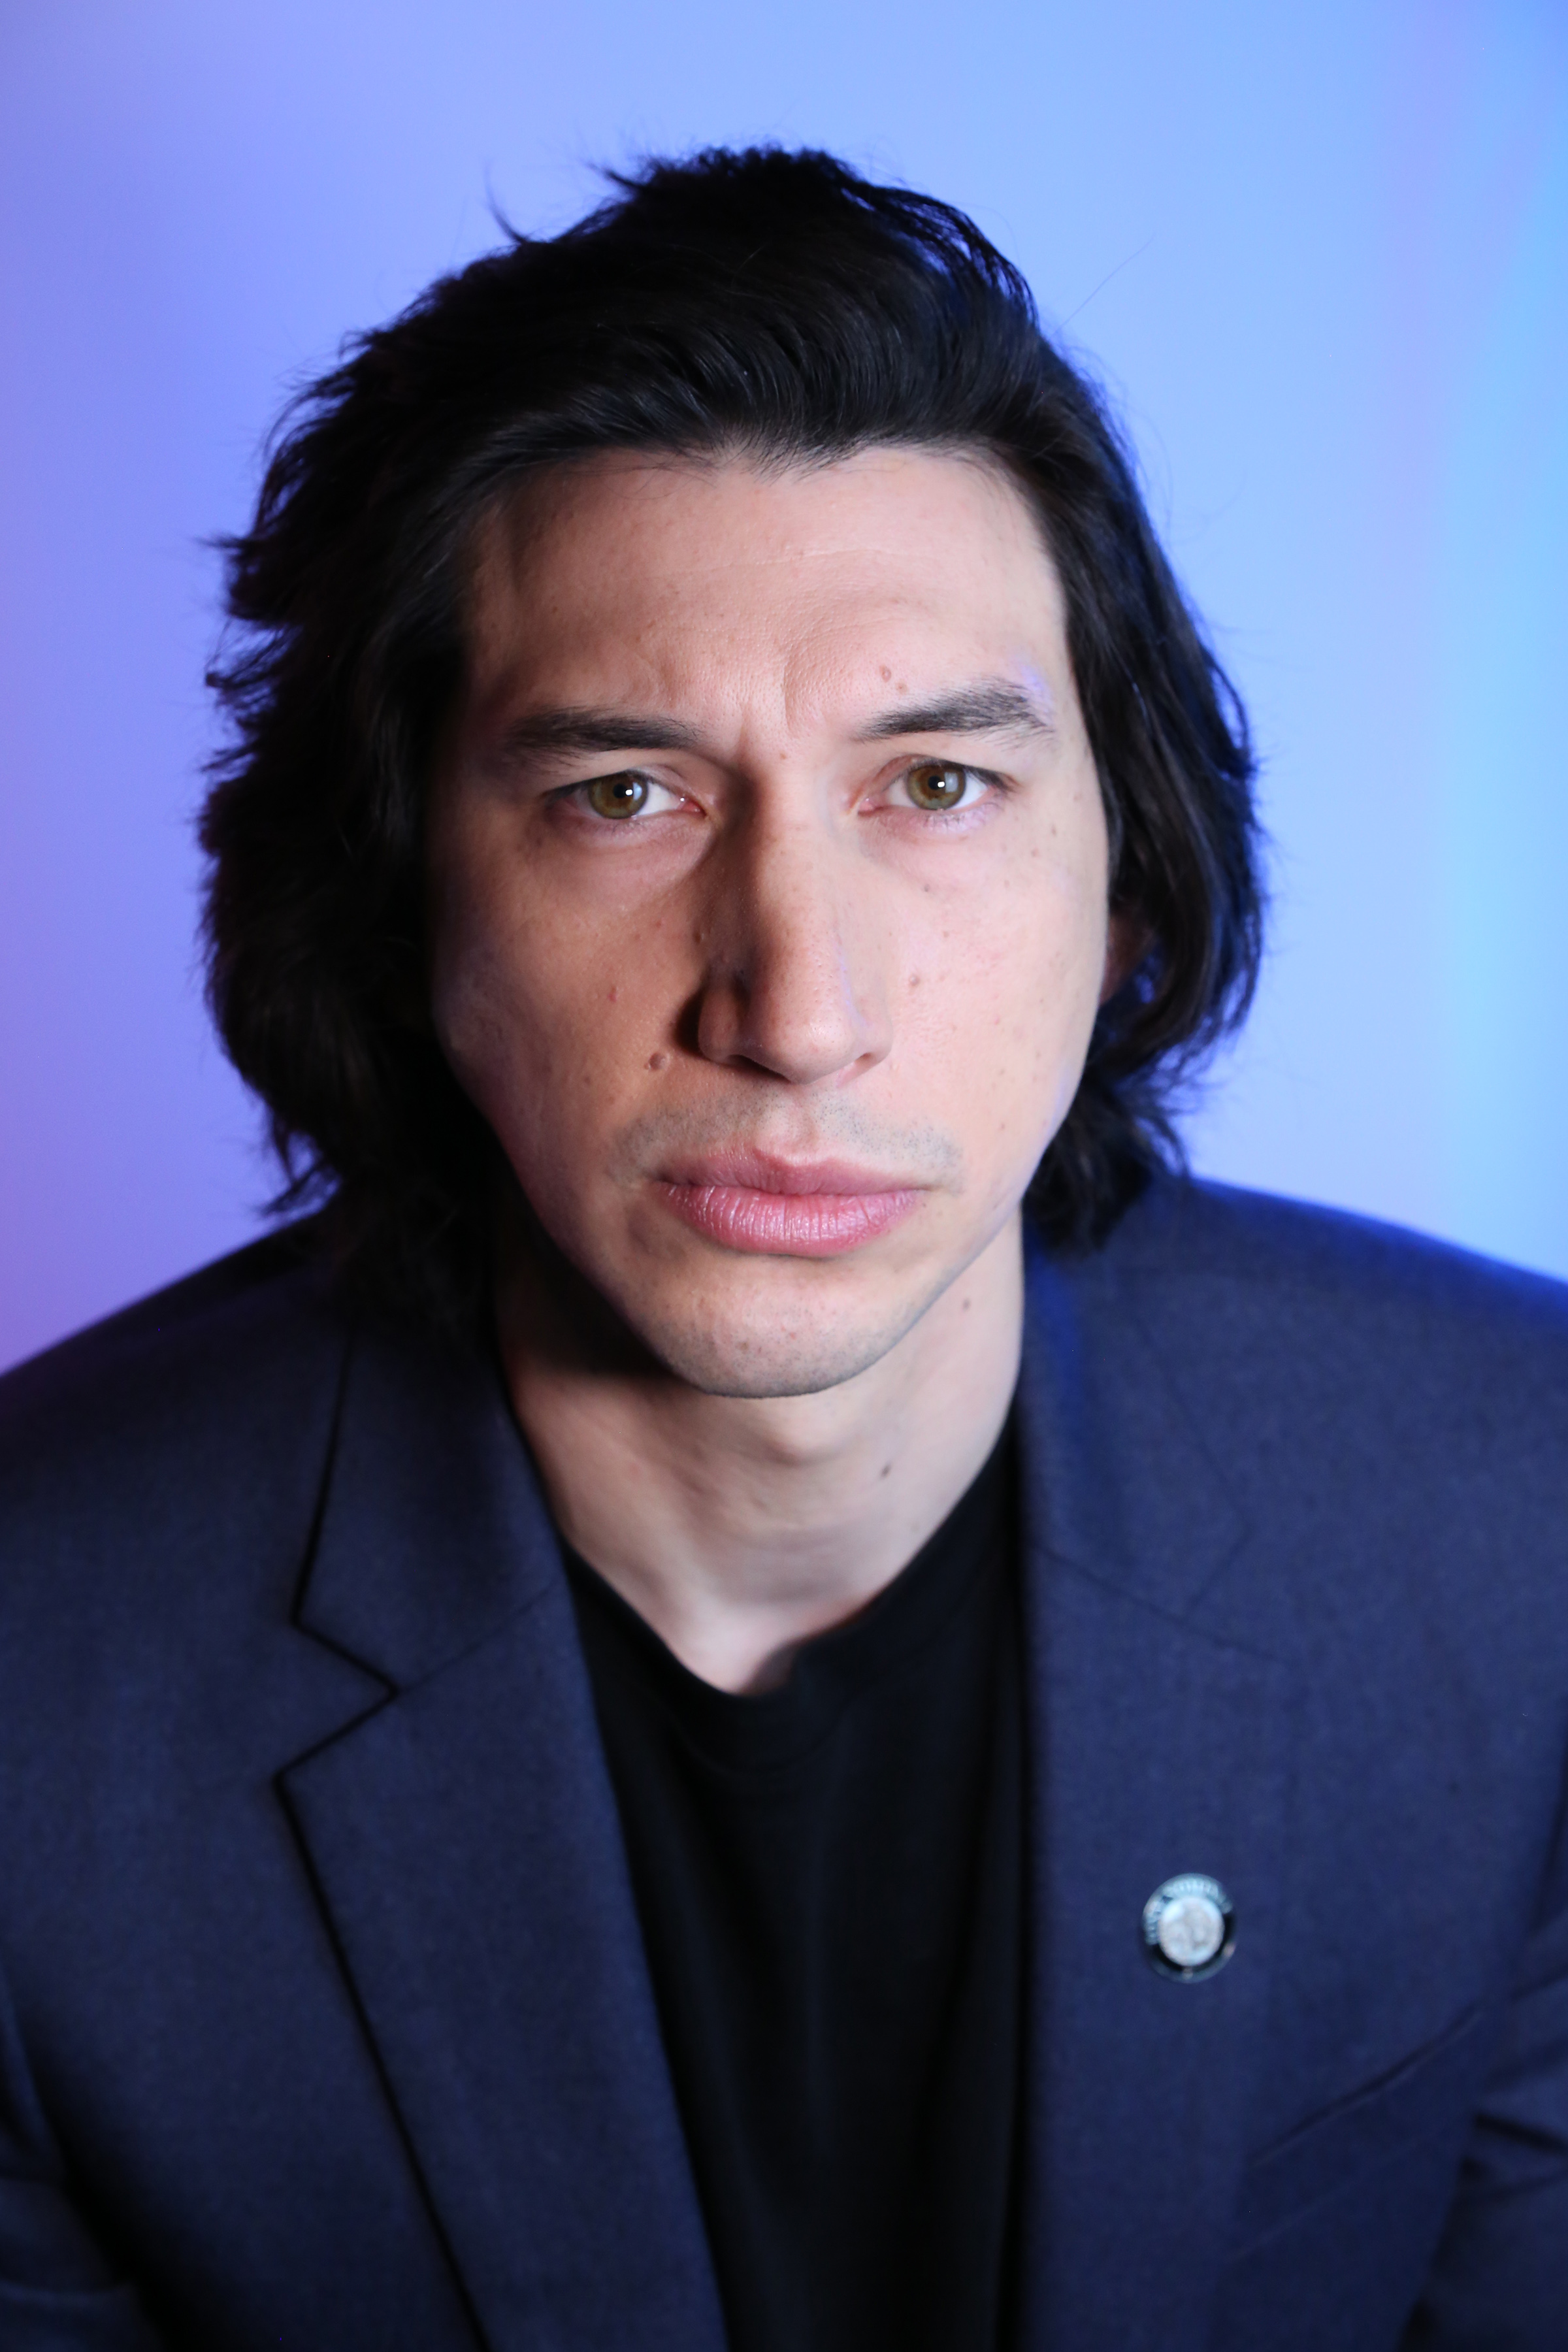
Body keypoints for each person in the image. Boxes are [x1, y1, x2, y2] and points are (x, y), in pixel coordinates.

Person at [0, 146, 1563, 2352]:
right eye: (623, 796)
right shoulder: (36, 1697)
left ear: (1129, 892)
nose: (797, 1006)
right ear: (399, 909)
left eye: (935, 787)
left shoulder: (1521, 1518)